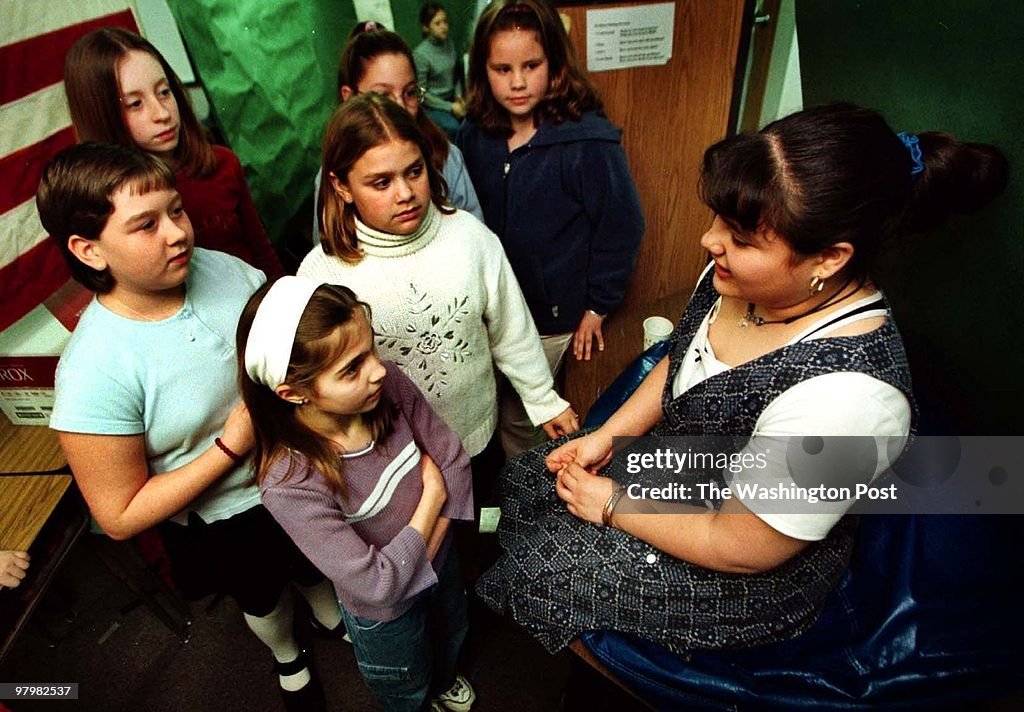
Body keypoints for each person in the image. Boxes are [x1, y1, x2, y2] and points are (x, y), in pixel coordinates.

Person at [476, 103, 1008, 655]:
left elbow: (742, 545)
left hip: (744, 556)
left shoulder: (849, 401)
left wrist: (610, 504)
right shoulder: (738, 275)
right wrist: (604, 437)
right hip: (702, 463)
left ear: (828, 258)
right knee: (534, 480)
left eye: (742, 236)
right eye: (718, 221)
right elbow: (682, 362)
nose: (710, 242)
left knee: (553, 567)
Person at [37, 142, 344, 712]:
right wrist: (230, 446)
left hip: (300, 470)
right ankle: (287, 656)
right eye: (145, 225)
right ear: (89, 249)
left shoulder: (221, 268)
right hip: (228, 517)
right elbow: (119, 514)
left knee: (315, 556)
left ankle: (330, 616)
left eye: (175, 211)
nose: (177, 232)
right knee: (262, 594)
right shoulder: (92, 373)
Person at [299, 94, 577, 504]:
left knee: (485, 530)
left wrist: (543, 399)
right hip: (393, 461)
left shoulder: (469, 237)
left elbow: (511, 329)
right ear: (341, 186)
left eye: (414, 172)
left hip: (477, 437)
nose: (405, 193)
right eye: (381, 182)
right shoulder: (321, 274)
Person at [238, 276, 476, 712]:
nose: (379, 370)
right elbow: (377, 588)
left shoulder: (389, 388)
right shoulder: (289, 483)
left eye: (371, 350)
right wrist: (432, 499)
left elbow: (455, 460)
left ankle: (444, 680)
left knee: (451, 631)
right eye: (352, 368)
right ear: (293, 393)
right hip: (385, 620)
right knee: (403, 680)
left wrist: (408, 557)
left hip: (443, 569)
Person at [458, 0, 645, 457]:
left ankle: (525, 498)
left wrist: (598, 306)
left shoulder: (587, 141)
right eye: (502, 68)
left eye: (531, 65)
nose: (518, 82)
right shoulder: (473, 136)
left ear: (555, 63)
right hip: (486, 313)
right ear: (483, 71)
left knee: (526, 416)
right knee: (492, 405)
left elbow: (621, 225)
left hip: (549, 320)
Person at [63, 27, 283, 279]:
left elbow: (263, 253)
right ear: (101, 114)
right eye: (135, 104)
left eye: (164, 92)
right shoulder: (103, 204)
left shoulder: (222, 163)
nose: (162, 114)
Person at [311, 21, 482, 243]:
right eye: (383, 96)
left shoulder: (448, 157)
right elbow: (328, 248)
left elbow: (477, 240)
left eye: (410, 93)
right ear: (349, 97)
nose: (400, 108)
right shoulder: (331, 176)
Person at [414, 3, 466, 139]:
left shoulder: (449, 44)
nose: (444, 27)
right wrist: (450, 107)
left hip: (451, 99)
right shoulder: (421, 55)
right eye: (437, 23)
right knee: (454, 127)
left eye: (445, 22)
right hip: (432, 105)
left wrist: (459, 96)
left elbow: (456, 76)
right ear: (426, 28)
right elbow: (422, 94)